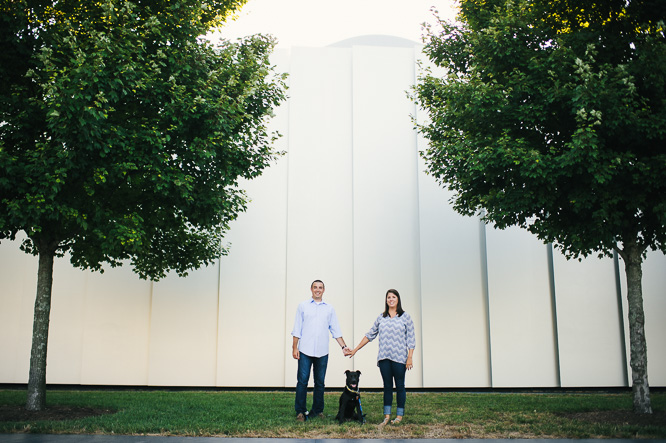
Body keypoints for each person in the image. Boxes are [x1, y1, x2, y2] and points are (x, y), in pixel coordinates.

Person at [349, 288, 415, 426]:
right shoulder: (381, 317)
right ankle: (386, 416)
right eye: (389, 297)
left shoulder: (405, 317)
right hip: (384, 358)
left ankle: (399, 416)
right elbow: (370, 335)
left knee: (400, 386)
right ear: (386, 300)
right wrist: (355, 349)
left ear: (398, 300)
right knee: (387, 387)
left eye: (394, 297)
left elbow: (411, 338)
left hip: (399, 358)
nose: (391, 299)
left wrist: (410, 357)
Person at [291, 279, 351, 422]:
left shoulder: (329, 309)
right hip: (305, 350)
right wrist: (295, 348)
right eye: (315, 287)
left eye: (320, 287)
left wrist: (343, 346)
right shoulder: (303, 306)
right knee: (302, 381)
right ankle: (300, 411)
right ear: (311, 289)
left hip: (322, 352)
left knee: (320, 382)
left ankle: (318, 411)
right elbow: (297, 328)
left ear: (324, 290)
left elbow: (335, 329)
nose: (318, 290)